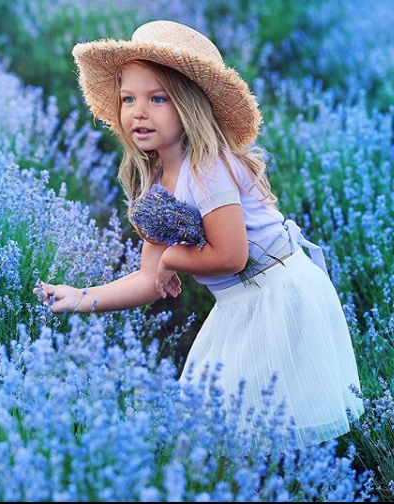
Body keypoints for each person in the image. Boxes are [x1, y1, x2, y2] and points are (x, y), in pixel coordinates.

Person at [33, 20, 365, 450]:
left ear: (188, 106)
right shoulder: (154, 184)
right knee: (225, 434)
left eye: (157, 99)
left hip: (279, 297)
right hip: (239, 307)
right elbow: (148, 280)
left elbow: (230, 256)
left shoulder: (209, 167)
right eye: (128, 99)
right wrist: (82, 297)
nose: (138, 111)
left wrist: (173, 259)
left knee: (258, 434)